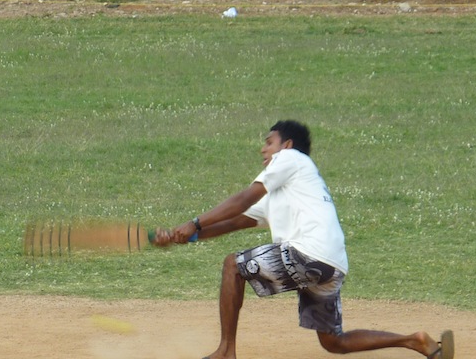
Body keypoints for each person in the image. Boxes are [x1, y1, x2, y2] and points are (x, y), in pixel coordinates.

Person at [154, 120, 454, 359]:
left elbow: (244, 198)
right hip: (330, 264)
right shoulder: (287, 188)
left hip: (308, 255)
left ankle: (225, 352)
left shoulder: (290, 159)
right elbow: (235, 220)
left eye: (268, 142)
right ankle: (416, 341)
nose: (263, 150)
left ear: (286, 144)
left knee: (233, 265)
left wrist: (192, 222)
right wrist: (186, 236)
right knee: (333, 342)